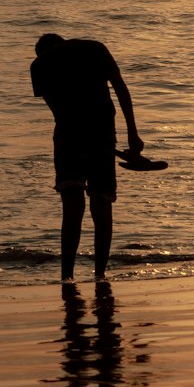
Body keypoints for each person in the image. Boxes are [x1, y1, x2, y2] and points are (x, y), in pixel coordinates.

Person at [31, 33, 144, 288]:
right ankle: (100, 274)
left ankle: (66, 276)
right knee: (101, 204)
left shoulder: (39, 65)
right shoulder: (95, 48)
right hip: (102, 131)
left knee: (72, 208)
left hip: (68, 138)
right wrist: (132, 133)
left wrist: (78, 131)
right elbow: (121, 89)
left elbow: (57, 110)